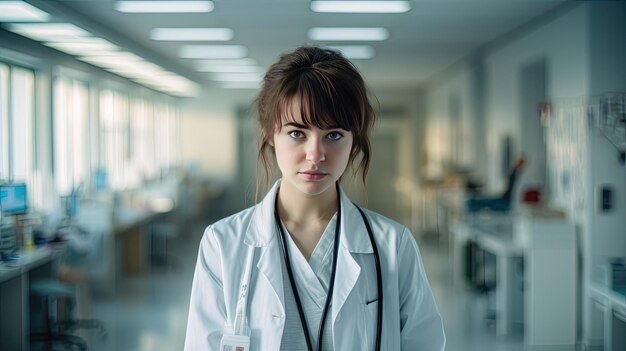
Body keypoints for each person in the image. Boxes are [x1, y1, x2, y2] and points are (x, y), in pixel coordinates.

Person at [184, 46, 445, 351]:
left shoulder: (392, 245)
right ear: (270, 134)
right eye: (297, 133)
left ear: (354, 141)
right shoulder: (222, 243)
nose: (315, 154)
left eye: (333, 135)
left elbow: (423, 343)